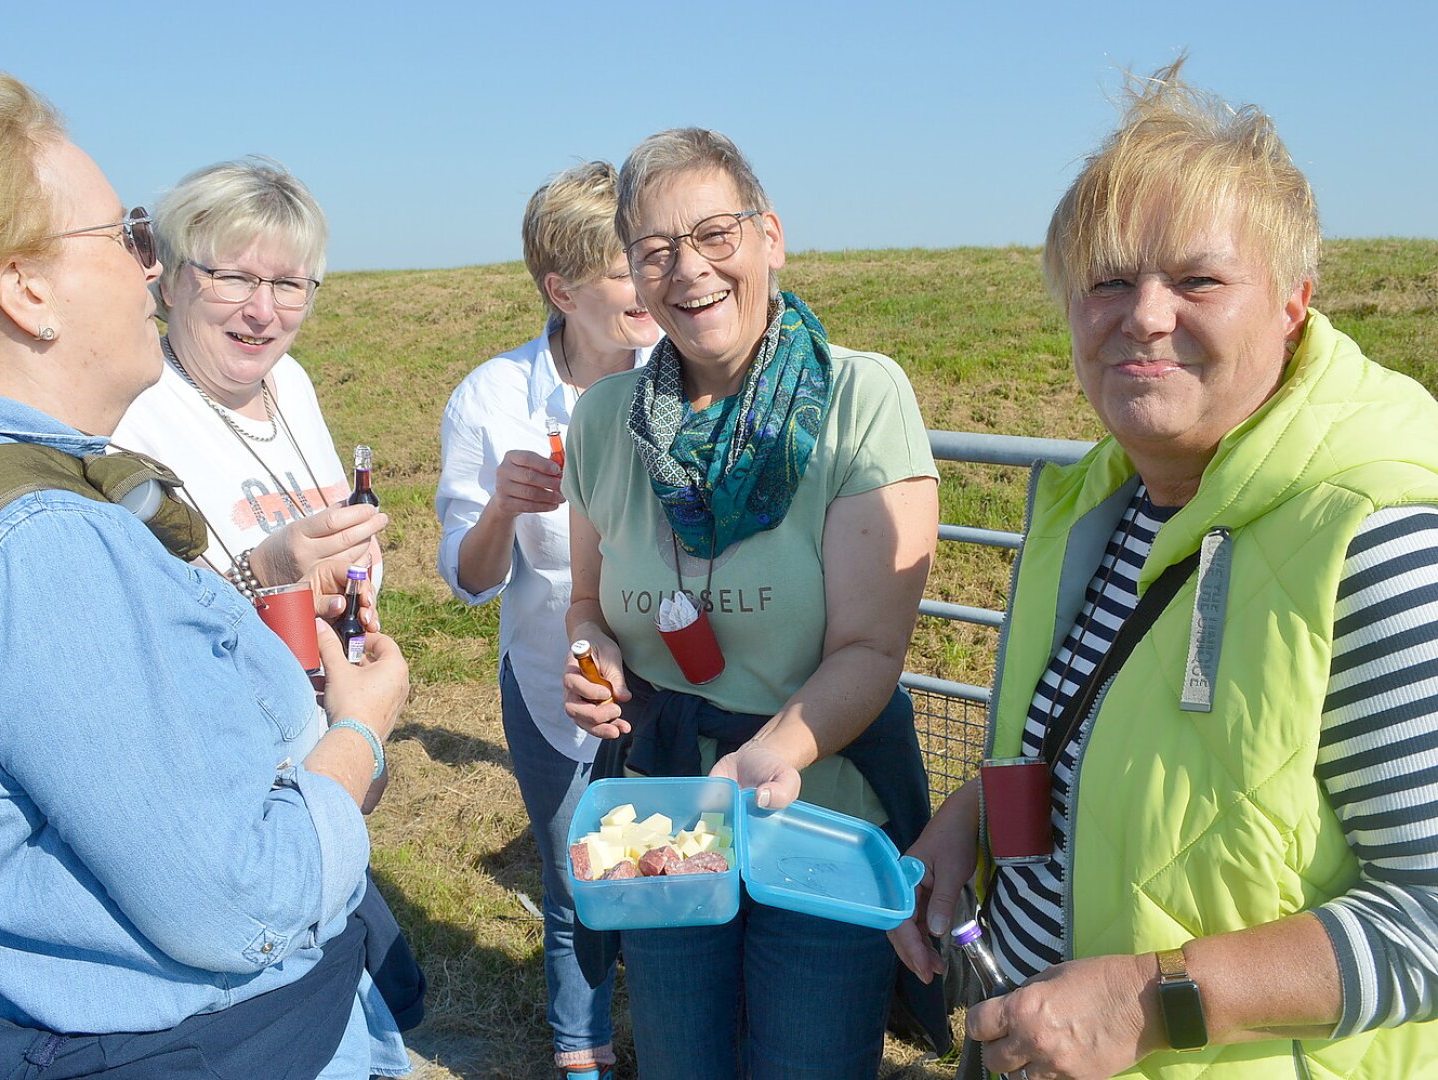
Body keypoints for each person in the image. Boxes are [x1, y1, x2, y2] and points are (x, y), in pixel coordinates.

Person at [0, 74, 414, 1078]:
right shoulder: (40, 545)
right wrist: (359, 731)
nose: (150, 270)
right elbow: (241, 897)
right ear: (23, 289)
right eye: (125, 236)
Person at [890, 61, 1438, 1078]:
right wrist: (966, 821)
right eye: (1107, 279)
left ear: (1292, 304)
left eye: (1197, 279)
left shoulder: (1377, 537)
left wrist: (1146, 1005)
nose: (1142, 315)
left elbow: (1431, 922)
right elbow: (1098, 739)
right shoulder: (1109, 502)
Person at [561, 128, 944, 1078]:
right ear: (637, 281)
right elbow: (583, 601)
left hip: (814, 808)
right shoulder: (606, 420)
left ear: (769, 235)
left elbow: (868, 645)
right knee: (681, 1059)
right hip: (663, 811)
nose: (688, 269)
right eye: (654, 252)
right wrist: (592, 658)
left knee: (808, 1060)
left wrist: (765, 754)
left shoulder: (861, 397)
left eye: (715, 233)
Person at [434, 160, 657, 1080]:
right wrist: (499, 510)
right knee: (575, 876)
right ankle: (582, 1050)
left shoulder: (684, 376)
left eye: (651, 259)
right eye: (625, 270)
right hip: (548, 681)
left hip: (681, 679)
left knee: (667, 864)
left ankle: (681, 1024)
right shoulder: (492, 400)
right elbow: (466, 580)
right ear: (560, 289)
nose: (653, 286)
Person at [114, 157, 384, 614]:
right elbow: (137, 620)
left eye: (287, 284)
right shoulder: (129, 408)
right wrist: (260, 574)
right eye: (234, 278)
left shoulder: (290, 381)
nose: (263, 311)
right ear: (174, 282)